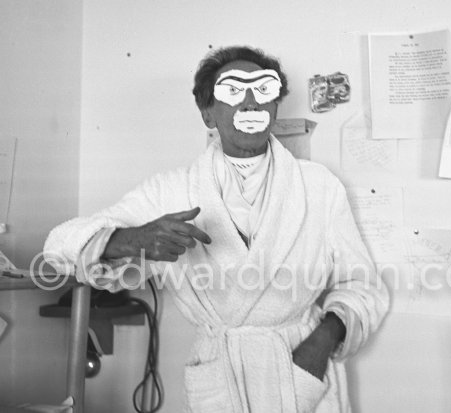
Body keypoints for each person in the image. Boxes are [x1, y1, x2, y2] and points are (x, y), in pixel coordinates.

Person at [44, 45, 389, 413]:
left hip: (301, 365)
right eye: (234, 91)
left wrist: (322, 341)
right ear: (208, 113)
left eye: (263, 91)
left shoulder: (319, 187)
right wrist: (132, 239)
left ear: (275, 106)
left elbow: (363, 287)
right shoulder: (171, 191)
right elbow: (58, 246)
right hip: (221, 373)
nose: (252, 103)